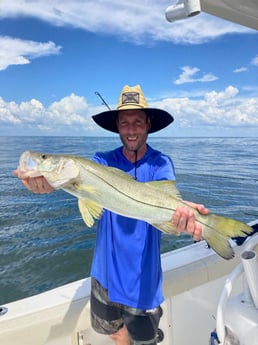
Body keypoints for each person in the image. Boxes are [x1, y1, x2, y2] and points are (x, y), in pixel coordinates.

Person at [15, 85, 208, 345]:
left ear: (148, 124)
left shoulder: (161, 163)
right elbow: (69, 183)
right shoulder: (101, 160)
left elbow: (167, 202)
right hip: (104, 275)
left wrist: (185, 215)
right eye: (125, 123)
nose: (131, 130)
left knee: (145, 341)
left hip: (142, 281)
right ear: (116, 125)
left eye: (137, 123)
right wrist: (44, 183)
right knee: (115, 333)